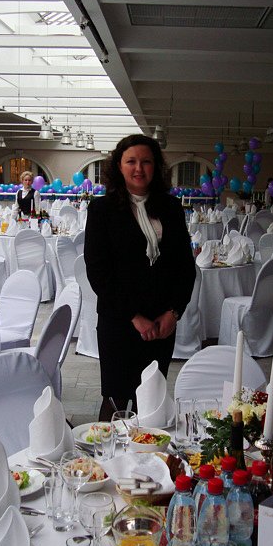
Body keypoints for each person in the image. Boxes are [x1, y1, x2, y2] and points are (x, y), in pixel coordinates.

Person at [84, 134, 196, 420]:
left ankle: (149, 449)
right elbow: (98, 272)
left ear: (155, 167)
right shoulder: (102, 209)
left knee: (152, 399)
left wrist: (174, 312)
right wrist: (134, 316)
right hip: (120, 321)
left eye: (146, 162)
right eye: (131, 161)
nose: (138, 168)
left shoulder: (171, 208)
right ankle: (110, 448)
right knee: (117, 398)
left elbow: (185, 267)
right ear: (118, 166)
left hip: (161, 324)